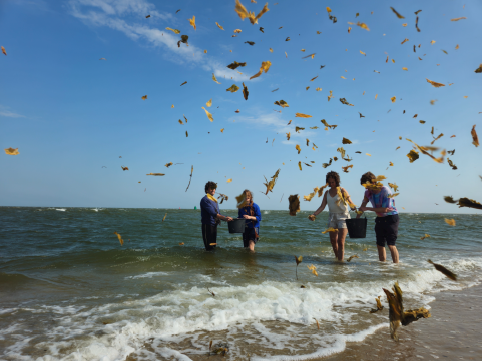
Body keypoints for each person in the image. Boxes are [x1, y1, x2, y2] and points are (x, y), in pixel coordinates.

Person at [309, 171, 357, 261]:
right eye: (329, 182)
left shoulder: (342, 190)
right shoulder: (327, 192)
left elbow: (350, 201)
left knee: (341, 241)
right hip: (332, 217)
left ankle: (340, 262)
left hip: (343, 217)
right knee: (333, 241)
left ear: (336, 181)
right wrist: (314, 214)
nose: (331, 184)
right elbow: (322, 206)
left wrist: (354, 207)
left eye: (333, 182)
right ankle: (337, 258)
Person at [356, 172, 399, 263]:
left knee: (391, 244)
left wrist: (367, 208)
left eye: (367, 185)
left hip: (391, 218)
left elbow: (385, 209)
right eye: (364, 186)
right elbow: (362, 206)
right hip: (380, 219)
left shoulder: (385, 190)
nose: (366, 188)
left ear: (373, 182)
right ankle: (383, 268)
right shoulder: (368, 193)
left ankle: (396, 267)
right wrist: (357, 219)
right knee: (380, 245)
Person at [200, 181, 233, 251]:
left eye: (214, 188)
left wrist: (226, 218)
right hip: (207, 225)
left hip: (214, 225)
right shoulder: (205, 200)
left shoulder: (214, 200)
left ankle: (212, 261)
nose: (213, 190)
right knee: (208, 248)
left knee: (213, 247)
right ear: (207, 190)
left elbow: (218, 213)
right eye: (211, 188)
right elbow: (212, 213)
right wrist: (224, 218)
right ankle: (207, 261)